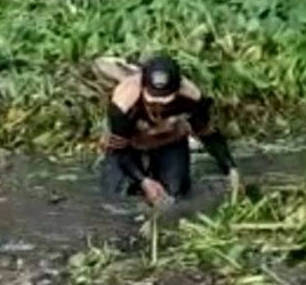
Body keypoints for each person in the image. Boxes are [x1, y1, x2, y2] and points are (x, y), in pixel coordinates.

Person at [101, 54, 239, 208]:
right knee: (119, 197)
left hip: (169, 140)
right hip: (130, 146)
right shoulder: (123, 103)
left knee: (176, 197)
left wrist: (230, 169)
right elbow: (120, 150)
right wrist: (143, 181)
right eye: (153, 101)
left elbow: (207, 134)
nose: (159, 107)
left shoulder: (192, 98)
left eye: (166, 101)